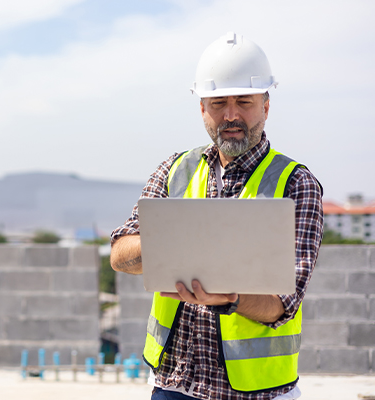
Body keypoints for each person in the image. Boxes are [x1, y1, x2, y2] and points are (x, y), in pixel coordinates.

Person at [111, 32, 323, 400]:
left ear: (266, 106)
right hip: (173, 385)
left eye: (244, 101)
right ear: (202, 108)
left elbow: (283, 304)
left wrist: (230, 297)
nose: (231, 115)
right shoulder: (173, 170)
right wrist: (175, 244)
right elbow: (120, 254)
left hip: (256, 393)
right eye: (219, 102)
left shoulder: (295, 185)